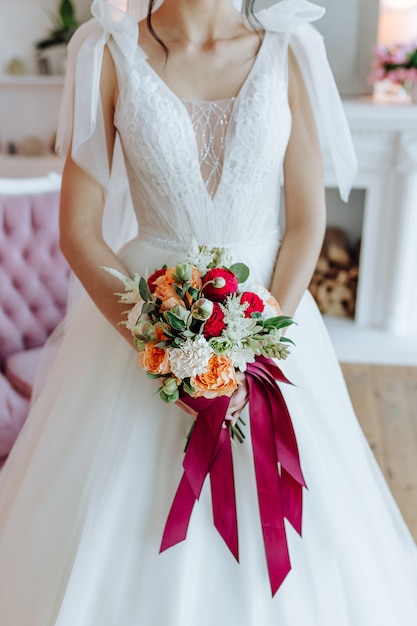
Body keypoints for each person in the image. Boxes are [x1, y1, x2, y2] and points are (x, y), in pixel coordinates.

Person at [1, 0, 417, 624]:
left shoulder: (290, 50)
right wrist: (160, 341)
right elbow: (79, 232)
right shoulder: (108, 51)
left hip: (270, 322)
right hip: (142, 326)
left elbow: (306, 223)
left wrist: (256, 342)